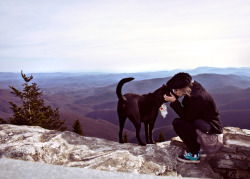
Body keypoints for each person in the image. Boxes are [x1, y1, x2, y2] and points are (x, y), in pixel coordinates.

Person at [164, 72, 223, 163]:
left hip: (212, 137)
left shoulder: (197, 97)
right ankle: (198, 148)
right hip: (208, 128)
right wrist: (176, 99)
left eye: (176, 90)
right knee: (183, 122)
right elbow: (189, 113)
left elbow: (186, 117)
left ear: (183, 88)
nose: (174, 92)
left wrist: (175, 102)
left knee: (178, 123)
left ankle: (194, 154)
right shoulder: (194, 91)